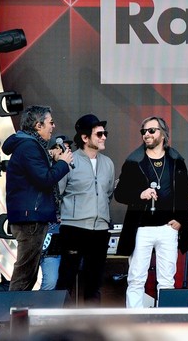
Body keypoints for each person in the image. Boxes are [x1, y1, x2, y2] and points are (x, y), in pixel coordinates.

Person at [115, 116, 188, 308]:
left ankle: (165, 322)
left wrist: (181, 220)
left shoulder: (176, 160)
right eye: (144, 131)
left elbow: (186, 193)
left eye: (151, 130)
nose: (147, 135)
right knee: (136, 279)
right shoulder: (134, 161)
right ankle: (134, 323)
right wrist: (139, 194)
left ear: (163, 133)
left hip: (168, 228)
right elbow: (119, 193)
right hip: (141, 227)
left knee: (167, 281)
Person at [2, 105, 73, 291]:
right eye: (50, 122)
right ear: (38, 125)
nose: (53, 126)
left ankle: (16, 313)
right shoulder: (29, 147)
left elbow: (36, 173)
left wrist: (51, 158)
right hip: (31, 219)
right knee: (25, 274)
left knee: (28, 273)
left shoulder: (28, 146)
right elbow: (44, 179)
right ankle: (12, 314)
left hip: (30, 217)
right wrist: (64, 164)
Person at [55, 114, 116, 305]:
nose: (104, 137)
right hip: (73, 228)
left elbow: (107, 194)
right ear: (84, 137)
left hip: (99, 231)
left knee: (94, 283)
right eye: (99, 134)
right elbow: (57, 191)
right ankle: (57, 329)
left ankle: (91, 328)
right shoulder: (69, 160)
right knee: (66, 280)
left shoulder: (108, 163)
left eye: (104, 133)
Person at [38, 134, 73, 291]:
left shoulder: (69, 170)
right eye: (62, 148)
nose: (66, 151)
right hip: (40, 231)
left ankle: (47, 311)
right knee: (30, 278)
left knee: (55, 281)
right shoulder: (42, 169)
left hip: (59, 230)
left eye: (67, 148)